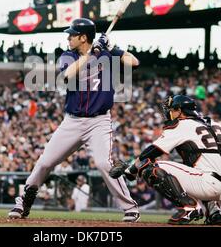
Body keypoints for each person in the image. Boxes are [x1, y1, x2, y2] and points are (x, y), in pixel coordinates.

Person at [8, 18, 141, 222]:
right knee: (44, 163)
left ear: (83, 37)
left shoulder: (106, 52)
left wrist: (112, 47)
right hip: (73, 121)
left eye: (72, 34)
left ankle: (130, 207)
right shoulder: (68, 56)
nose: (68, 37)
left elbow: (134, 62)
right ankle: (23, 203)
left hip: (99, 121)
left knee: (103, 163)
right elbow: (68, 75)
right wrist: (91, 53)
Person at [110, 95, 221, 225]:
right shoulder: (216, 125)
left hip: (208, 184)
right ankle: (213, 213)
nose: (169, 113)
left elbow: (152, 152)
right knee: (196, 168)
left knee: (150, 167)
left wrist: (131, 169)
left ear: (180, 110)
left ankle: (189, 207)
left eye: (172, 110)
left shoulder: (182, 124)